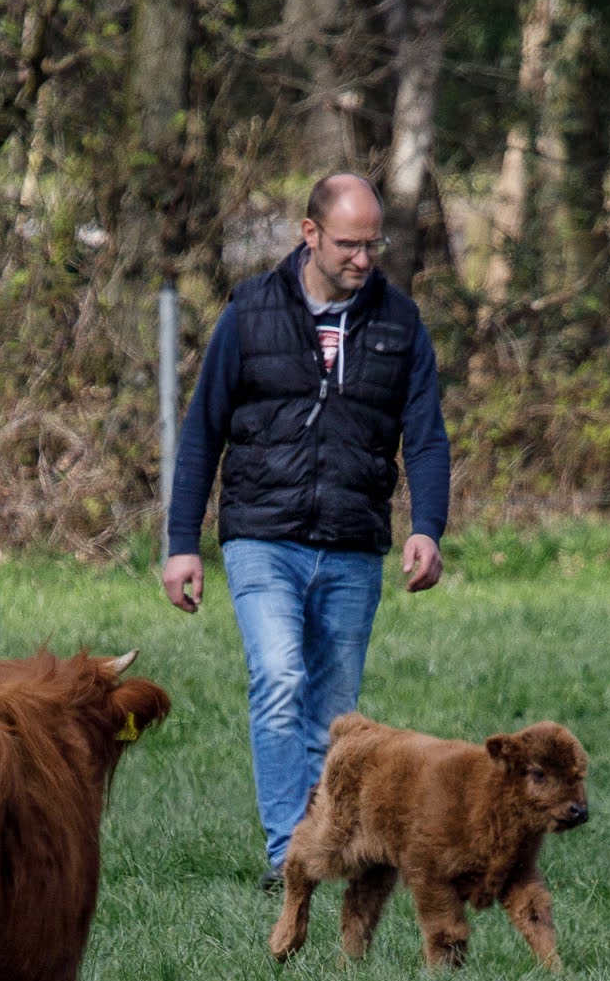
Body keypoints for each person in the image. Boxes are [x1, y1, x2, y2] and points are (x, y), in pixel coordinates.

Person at [161, 172, 450, 888]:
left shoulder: (399, 322)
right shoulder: (249, 313)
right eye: (349, 244)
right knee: (279, 677)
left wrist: (428, 528)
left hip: (353, 545)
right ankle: (286, 853)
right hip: (261, 536)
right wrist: (179, 545)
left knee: (333, 714)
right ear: (309, 233)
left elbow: (426, 437)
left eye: (372, 243)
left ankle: (325, 844)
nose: (363, 258)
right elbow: (201, 433)